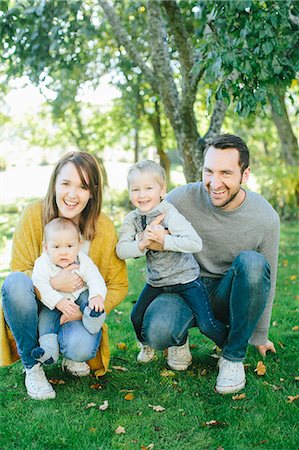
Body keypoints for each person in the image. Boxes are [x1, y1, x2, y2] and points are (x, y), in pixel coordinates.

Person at [137, 134, 280, 395]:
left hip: (230, 292)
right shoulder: (180, 199)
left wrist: (259, 335)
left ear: (244, 174)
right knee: (157, 331)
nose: (215, 183)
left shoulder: (265, 217)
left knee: (253, 264)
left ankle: (232, 357)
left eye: (226, 173)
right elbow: (143, 223)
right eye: (209, 171)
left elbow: (266, 280)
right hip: (185, 287)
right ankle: (178, 340)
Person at [0, 152, 128, 400]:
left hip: (75, 311)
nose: (72, 194)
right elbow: (20, 273)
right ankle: (32, 366)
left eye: (82, 186)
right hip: (37, 310)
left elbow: (119, 284)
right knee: (14, 283)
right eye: (66, 183)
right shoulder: (33, 215)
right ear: (55, 184)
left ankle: (69, 351)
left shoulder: (103, 227)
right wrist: (52, 284)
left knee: (81, 347)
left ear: (92, 192)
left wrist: (90, 309)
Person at [116, 160, 228, 367]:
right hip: (157, 281)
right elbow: (121, 250)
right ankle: (146, 344)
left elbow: (195, 243)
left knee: (206, 324)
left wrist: (163, 240)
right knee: (136, 316)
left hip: (187, 280)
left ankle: (229, 347)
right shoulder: (132, 219)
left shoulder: (169, 213)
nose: (142, 195)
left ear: (162, 190)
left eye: (148, 188)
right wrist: (142, 243)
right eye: (135, 189)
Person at [31, 217, 107, 366]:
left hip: (79, 297)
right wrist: (58, 302)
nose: (63, 252)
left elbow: (94, 278)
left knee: (87, 297)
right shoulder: (42, 263)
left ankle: (93, 317)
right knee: (45, 319)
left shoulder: (82, 260)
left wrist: (96, 296)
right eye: (56, 247)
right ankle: (48, 351)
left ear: (79, 245)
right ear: (46, 247)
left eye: (69, 246)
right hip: (53, 303)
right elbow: (39, 285)